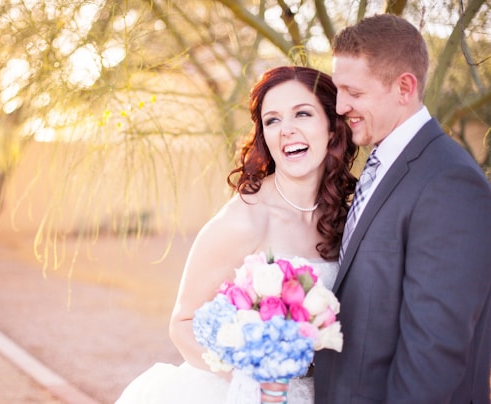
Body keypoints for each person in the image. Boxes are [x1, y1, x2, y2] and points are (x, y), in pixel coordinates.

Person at [115, 65, 357, 404]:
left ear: (332, 128)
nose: (286, 129)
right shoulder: (245, 219)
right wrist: (253, 384)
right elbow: (182, 323)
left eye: (302, 114)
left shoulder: (346, 217)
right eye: (273, 120)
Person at [314, 14, 491, 404]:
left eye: (353, 92)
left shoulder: (450, 184)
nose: (340, 106)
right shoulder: (384, 166)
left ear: (404, 87)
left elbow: (435, 351)